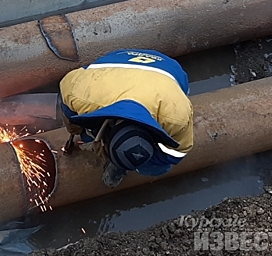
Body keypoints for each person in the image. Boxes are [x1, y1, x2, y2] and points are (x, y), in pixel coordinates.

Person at [59, 49, 193, 188]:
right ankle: (110, 150)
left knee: (156, 168)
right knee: (87, 130)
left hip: (171, 73)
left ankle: (122, 165)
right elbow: (66, 90)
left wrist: (136, 159)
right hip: (119, 62)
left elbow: (176, 154)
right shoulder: (80, 94)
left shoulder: (177, 116)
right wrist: (73, 124)